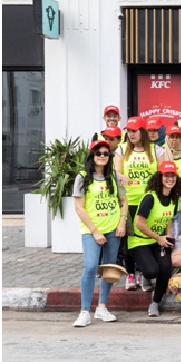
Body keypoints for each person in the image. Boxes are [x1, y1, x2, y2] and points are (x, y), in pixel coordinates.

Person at [72, 140, 128, 327]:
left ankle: (102, 307)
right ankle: (84, 311)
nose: (103, 156)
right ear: (92, 157)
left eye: (106, 153)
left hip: (113, 228)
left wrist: (122, 221)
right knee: (90, 267)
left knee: (108, 269)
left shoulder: (114, 176)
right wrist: (95, 232)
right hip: (91, 230)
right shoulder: (82, 177)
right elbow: (79, 208)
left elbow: (123, 200)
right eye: (99, 153)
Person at [114, 116, 166, 290]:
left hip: (148, 202)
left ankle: (144, 274)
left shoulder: (156, 150)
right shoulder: (121, 150)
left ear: (142, 131)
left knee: (147, 238)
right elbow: (114, 174)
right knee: (129, 241)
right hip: (129, 203)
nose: (131, 134)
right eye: (128, 131)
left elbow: (162, 176)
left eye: (134, 130)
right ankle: (130, 274)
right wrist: (120, 176)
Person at [128, 161, 181, 317]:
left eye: (173, 176)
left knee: (166, 268)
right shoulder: (149, 198)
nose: (170, 179)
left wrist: (169, 238)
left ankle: (155, 303)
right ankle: (144, 272)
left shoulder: (174, 198)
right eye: (166, 175)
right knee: (152, 271)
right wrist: (158, 237)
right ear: (160, 177)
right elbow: (139, 224)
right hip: (140, 240)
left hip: (158, 239)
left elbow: (169, 219)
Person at [163, 125, 181, 238]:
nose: (175, 140)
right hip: (161, 205)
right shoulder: (160, 153)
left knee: (175, 239)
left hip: (177, 205)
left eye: (177, 137)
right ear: (167, 138)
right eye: (172, 137)